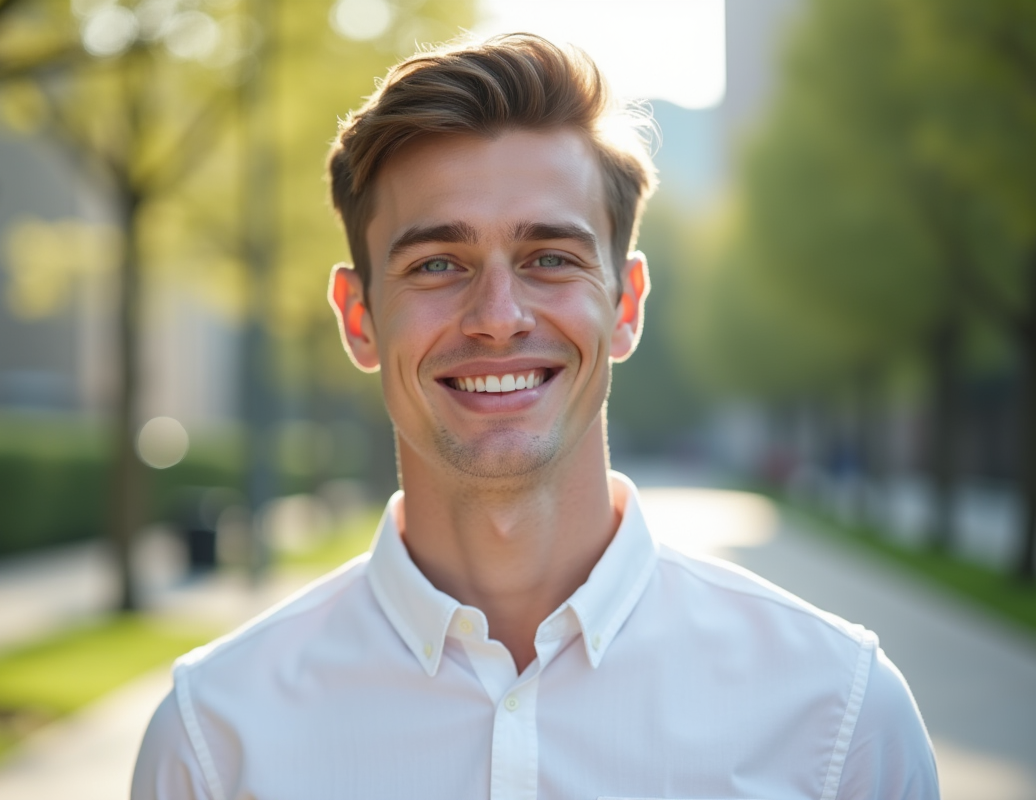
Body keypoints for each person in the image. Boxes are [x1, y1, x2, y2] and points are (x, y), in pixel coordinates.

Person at [133, 34, 939, 800]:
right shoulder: (214, 740)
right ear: (358, 317)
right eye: (437, 264)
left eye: (550, 258)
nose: (498, 315)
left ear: (625, 306)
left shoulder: (839, 715)